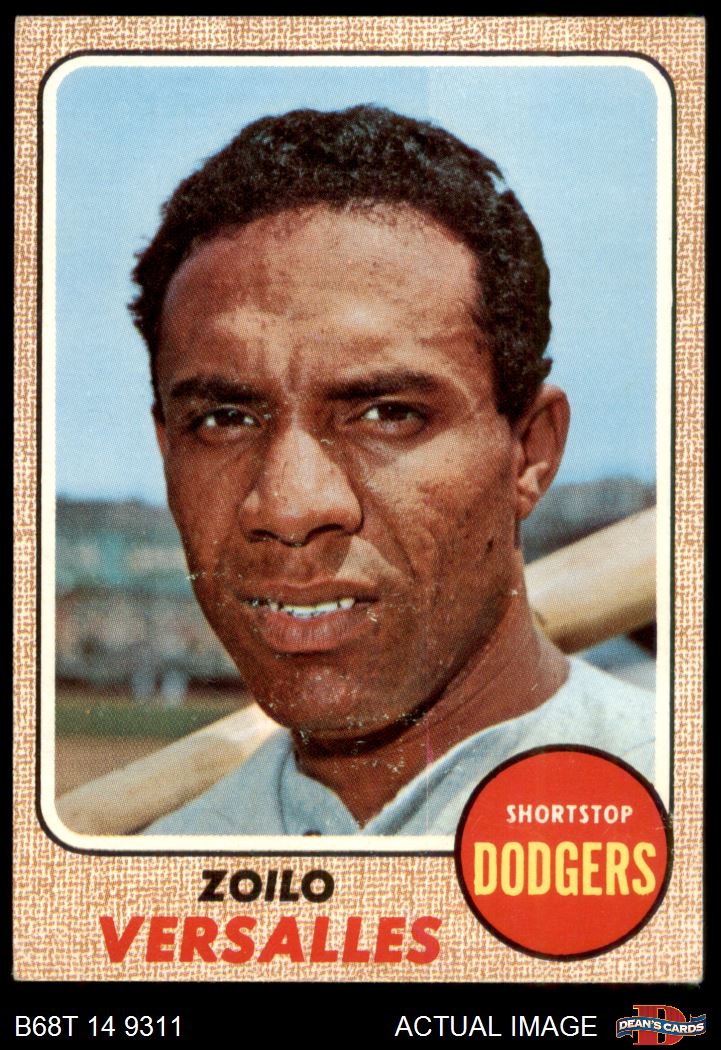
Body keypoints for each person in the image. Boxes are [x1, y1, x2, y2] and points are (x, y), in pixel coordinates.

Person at [132, 106, 654, 836]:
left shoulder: (666, 803)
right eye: (224, 420)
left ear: (531, 452)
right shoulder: (147, 866)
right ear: (167, 450)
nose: (287, 506)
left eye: (386, 414)